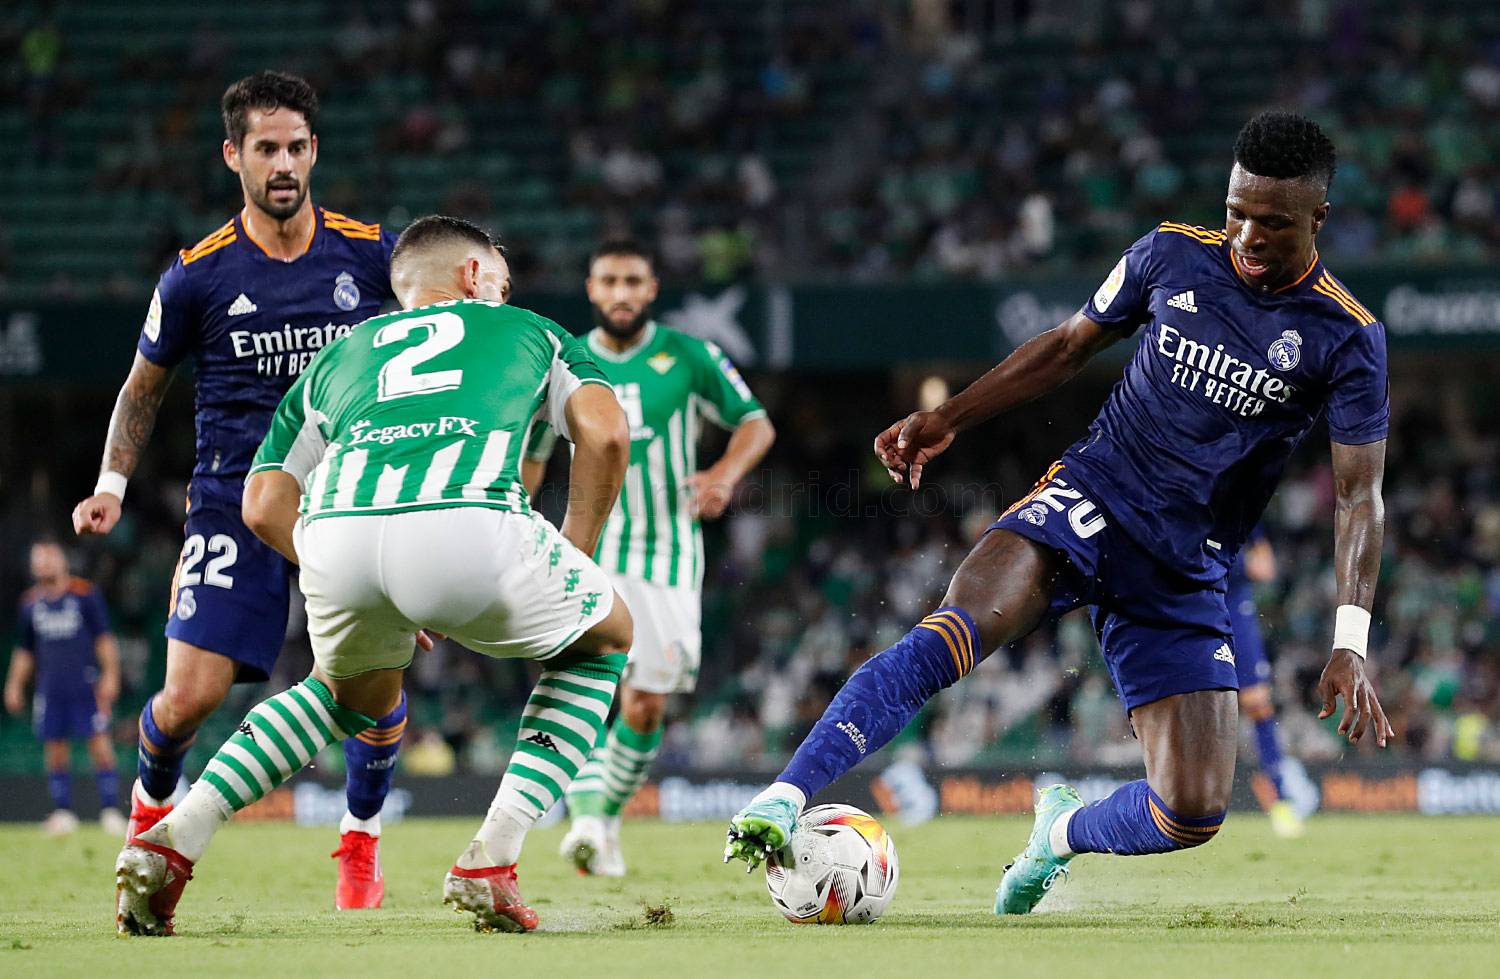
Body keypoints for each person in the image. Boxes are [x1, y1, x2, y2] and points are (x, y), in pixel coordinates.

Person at [723, 112, 1393, 914]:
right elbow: (1068, 344)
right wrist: (950, 416)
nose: (1247, 236)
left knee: (1192, 811)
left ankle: (1060, 832)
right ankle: (783, 796)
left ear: (1319, 217)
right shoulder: (1170, 254)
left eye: (1273, 222)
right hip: (1089, 499)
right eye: (1236, 212)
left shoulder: (1346, 335)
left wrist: (1350, 640)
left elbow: (1358, 495)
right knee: (951, 632)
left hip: (1184, 567)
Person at [113, 214, 633, 937]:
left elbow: (261, 502)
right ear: (474, 276)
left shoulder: (340, 354)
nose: (506, 293)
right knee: (604, 639)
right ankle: (494, 855)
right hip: (467, 520)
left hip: (336, 533)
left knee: (341, 696)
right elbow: (606, 433)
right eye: (502, 280)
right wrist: (577, 552)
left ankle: (177, 834)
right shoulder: (533, 331)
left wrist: (341, 567)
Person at [69, 72, 406, 909]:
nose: (283, 163)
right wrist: (111, 484)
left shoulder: (374, 254)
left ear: (315, 150)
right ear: (234, 155)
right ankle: (150, 814)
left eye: (295, 147)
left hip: (347, 498)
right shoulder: (197, 275)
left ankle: (360, 841)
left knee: (375, 688)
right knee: (189, 697)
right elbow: (142, 388)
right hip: (233, 501)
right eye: (265, 148)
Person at [523, 239, 774, 876]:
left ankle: (602, 817)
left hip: (667, 554)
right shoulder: (562, 362)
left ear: (652, 288)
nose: (621, 293)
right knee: (579, 686)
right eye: (609, 280)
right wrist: (512, 523)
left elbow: (756, 422)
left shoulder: (689, 355)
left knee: (646, 704)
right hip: (587, 548)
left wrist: (722, 473)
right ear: (590, 288)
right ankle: (585, 821)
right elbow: (531, 458)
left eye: (633, 281)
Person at [4, 539, 123, 835]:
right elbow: (25, 649)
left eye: (50, 557)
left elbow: (104, 639)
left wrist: (111, 675)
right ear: (32, 566)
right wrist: (14, 685)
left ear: (63, 561)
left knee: (99, 744)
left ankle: (110, 810)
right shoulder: (30, 603)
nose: (45, 563)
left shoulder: (85, 594)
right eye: (39, 559)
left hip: (85, 684)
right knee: (55, 748)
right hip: (50, 688)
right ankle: (63, 812)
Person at [1229, 527, 1303, 837]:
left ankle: (1282, 800)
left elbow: (1265, 567)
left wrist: (1218, 560)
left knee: (1258, 703)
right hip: (1194, 610)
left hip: (1235, 610)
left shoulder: (1239, 510)